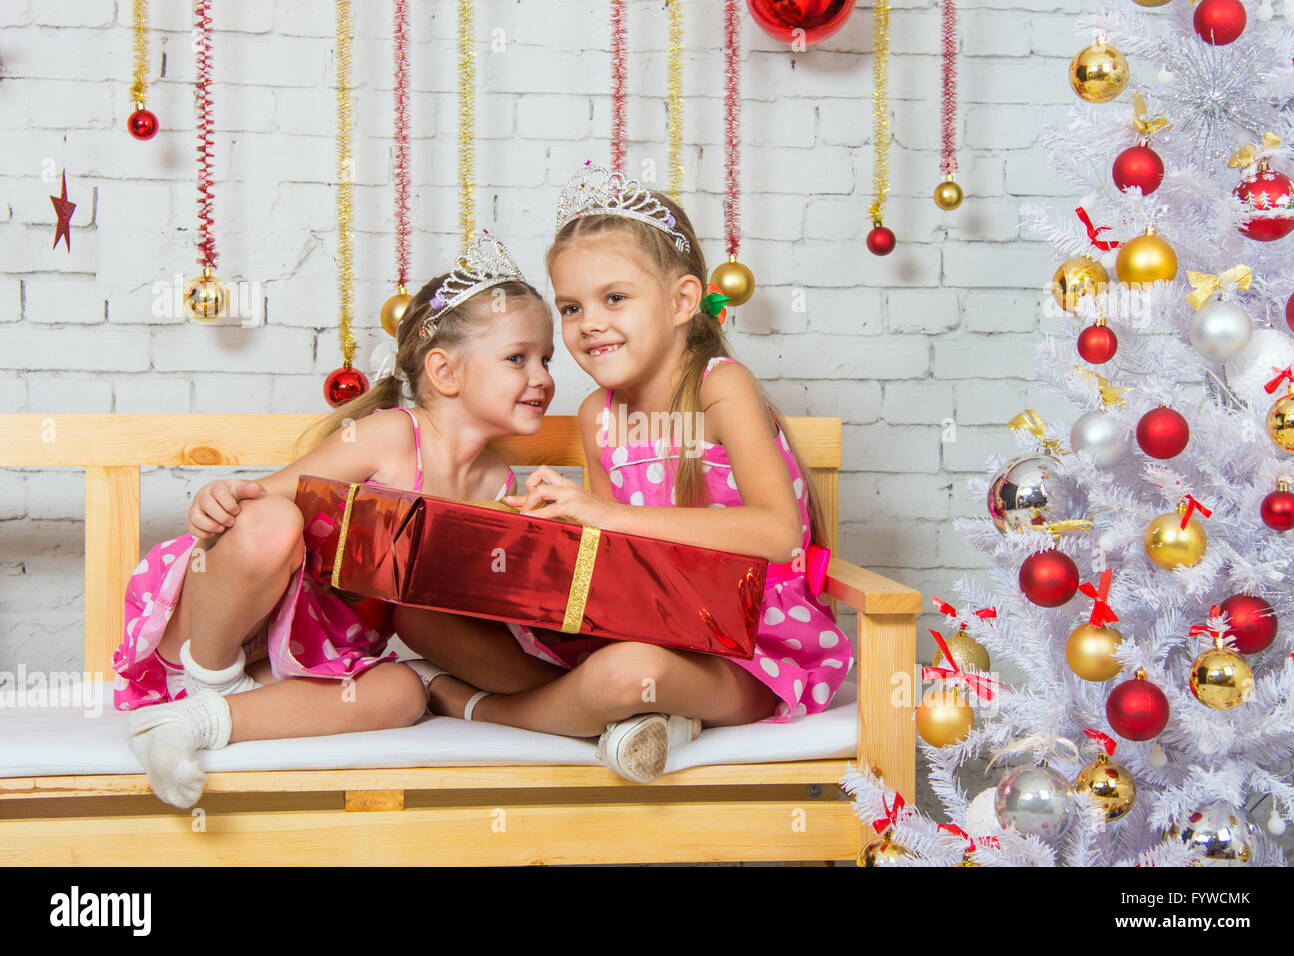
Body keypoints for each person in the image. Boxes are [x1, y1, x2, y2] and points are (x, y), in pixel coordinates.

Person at [397, 165, 852, 783]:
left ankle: (482, 707)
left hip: (748, 648)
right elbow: (614, 561)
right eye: (570, 307)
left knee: (622, 674)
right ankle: (638, 718)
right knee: (421, 617)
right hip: (651, 624)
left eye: (615, 298)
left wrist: (608, 514)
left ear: (682, 301)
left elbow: (779, 535)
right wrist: (543, 536)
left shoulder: (721, 388)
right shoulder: (598, 417)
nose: (588, 323)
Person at [116, 233, 555, 808]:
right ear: (445, 372)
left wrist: (534, 542)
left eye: (547, 359)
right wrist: (216, 497)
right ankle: (208, 682)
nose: (542, 376)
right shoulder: (393, 435)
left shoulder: (498, 485)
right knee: (273, 521)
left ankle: (191, 723)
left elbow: (451, 604)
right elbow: (262, 497)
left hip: (308, 656)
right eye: (518, 358)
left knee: (401, 692)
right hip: (221, 625)